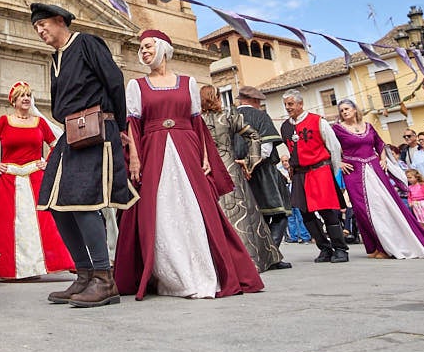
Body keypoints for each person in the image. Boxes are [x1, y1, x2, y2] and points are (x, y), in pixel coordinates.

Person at [115, 32, 263, 299]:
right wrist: (134, 157)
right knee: (159, 209)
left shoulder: (188, 83)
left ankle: (203, 268)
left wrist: (206, 156)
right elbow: (133, 124)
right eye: (141, 48)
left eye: (148, 46)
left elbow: (198, 124)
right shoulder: (137, 86)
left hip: (187, 149)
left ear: (162, 49)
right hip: (153, 151)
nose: (143, 51)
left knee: (196, 208)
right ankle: (171, 273)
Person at [31, 2, 137, 308]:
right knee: (55, 203)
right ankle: (84, 274)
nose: (40, 32)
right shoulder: (55, 59)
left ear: (59, 21)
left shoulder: (87, 43)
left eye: (43, 25)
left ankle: (105, 280)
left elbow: (115, 81)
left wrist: (118, 124)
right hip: (71, 133)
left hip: (97, 128)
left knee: (84, 201)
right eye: (36, 29)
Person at [0, 80, 73, 281]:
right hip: (9, 179)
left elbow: (57, 145)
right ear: (13, 100)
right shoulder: (4, 122)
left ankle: (39, 266)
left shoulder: (39, 123)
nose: (26, 99)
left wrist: (48, 163)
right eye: (22, 95)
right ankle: (10, 270)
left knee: (43, 222)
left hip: (35, 177)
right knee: (7, 225)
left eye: (29, 95)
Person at [332, 100, 424, 259]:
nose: (344, 112)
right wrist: (338, 162)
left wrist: (382, 160)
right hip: (354, 172)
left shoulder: (368, 126)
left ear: (354, 109)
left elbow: (380, 144)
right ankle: (375, 246)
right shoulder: (337, 129)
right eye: (341, 111)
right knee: (363, 210)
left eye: (347, 109)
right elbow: (329, 147)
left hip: (375, 169)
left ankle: (389, 245)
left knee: (386, 205)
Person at [201, 83, 288, 271]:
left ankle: (218, 262)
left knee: (214, 213)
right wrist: (249, 161)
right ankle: (252, 259)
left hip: (207, 170)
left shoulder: (196, 120)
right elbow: (254, 137)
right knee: (243, 214)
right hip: (231, 168)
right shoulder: (230, 116)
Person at [279, 90, 349, 263]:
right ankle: (324, 248)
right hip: (300, 174)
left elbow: (333, 147)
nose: (288, 108)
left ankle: (340, 249)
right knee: (306, 214)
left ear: (300, 104)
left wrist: (332, 172)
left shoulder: (318, 121)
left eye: (291, 104)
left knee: (327, 211)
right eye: (286, 104)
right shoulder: (285, 127)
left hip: (320, 170)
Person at [232, 85, 292, 248]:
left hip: (236, 173)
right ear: (254, 100)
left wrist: (240, 166)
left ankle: (257, 255)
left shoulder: (229, 117)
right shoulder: (260, 116)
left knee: (252, 217)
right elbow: (265, 148)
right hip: (263, 173)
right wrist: (249, 165)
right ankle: (271, 254)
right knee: (279, 213)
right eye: (258, 101)